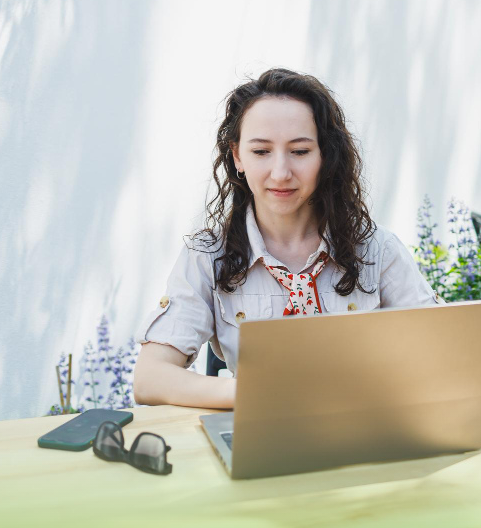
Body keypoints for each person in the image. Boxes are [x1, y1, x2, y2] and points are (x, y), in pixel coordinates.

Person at [132, 68, 438, 409]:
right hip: (259, 437)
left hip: (365, 429)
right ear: (237, 156)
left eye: (300, 151)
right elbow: (150, 378)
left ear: (325, 155)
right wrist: (259, 394)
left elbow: (439, 355)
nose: (280, 173)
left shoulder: (376, 249)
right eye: (261, 152)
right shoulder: (207, 256)